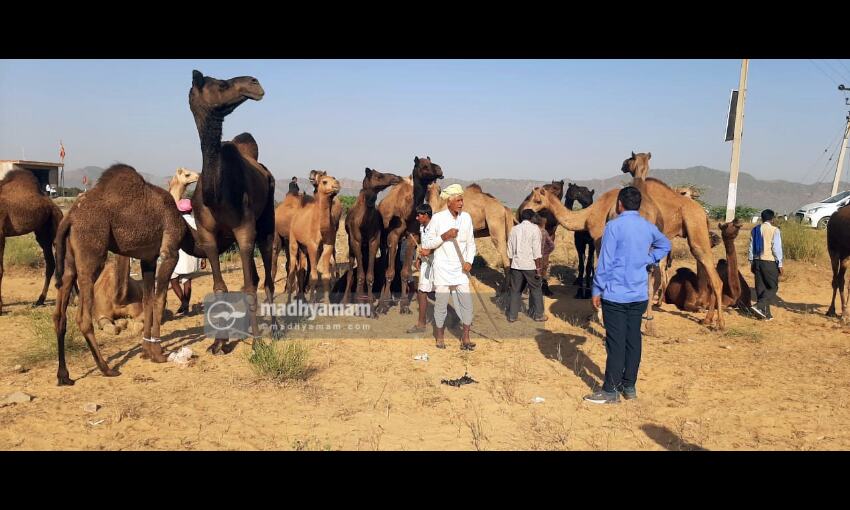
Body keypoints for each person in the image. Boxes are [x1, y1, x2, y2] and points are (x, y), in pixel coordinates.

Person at [585, 186, 671, 404]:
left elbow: (604, 263)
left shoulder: (613, 227)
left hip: (615, 295)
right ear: (638, 205)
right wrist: (649, 258)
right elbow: (665, 244)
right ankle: (629, 386)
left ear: (619, 204)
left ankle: (610, 390)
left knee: (615, 343)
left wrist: (597, 288)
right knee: (634, 340)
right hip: (639, 295)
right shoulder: (647, 227)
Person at [421, 184, 477, 350]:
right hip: (442, 269)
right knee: (441, 304)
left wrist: (469, 261)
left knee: (467, 304)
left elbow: (471, 244)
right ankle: (440, 337)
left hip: (461, 270)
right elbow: (428, 244)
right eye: (458, 200)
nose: (461, 203)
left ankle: (465, 337)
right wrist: (445, 236)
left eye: (462, 200)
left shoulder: (466, 218)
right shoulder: (438, 219)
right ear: (449, 202)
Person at [507, 209, 547, 322]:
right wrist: (539, 269)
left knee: (515, 290)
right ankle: (539, 315)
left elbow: (509, 250)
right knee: (536, 289)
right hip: (530, 265)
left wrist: (511, 266)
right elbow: (537, 251)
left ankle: (512, 316)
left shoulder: (514, 229)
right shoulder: (535, 229)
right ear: (532, 218)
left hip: (516, 265)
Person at [170, 198, 206, 315]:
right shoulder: (197, 222)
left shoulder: (177, 221)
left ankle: (184, 304)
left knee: (173, 280)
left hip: (180, 254)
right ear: (191, 210)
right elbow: (203, 240)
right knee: (187, 280)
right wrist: (203, 258)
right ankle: (185, 306)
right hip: (194, 254)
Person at [748, 209, 783, 321]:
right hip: (769, 262)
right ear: (772, 219)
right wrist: (780, 263)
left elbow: (750, 247)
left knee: (761, 287)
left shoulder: (755, 230)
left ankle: (765, 314)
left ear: (762, 218)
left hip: (757, 261)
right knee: (773, 287)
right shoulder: (774, 230)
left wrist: (752, 261)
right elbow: (776, 249)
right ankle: (759, 306)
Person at [407, 203, 435, 334]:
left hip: (438, 264)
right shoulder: (422, 227)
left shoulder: (436, 227)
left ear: (426, 215)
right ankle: (421, 324)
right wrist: (419, 258)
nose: (417, 218)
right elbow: (425, 245)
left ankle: (456, 319)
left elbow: (441, 243)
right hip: (426, 264)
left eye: (419, 216)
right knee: (422, 291)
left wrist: (429, 251)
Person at [535, 213, 556, 297]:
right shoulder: (544, 232)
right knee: (543, 268)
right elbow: (551, 245)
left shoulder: (530, 231)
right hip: (542, 256)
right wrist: (546, 253)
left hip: (531, 257)